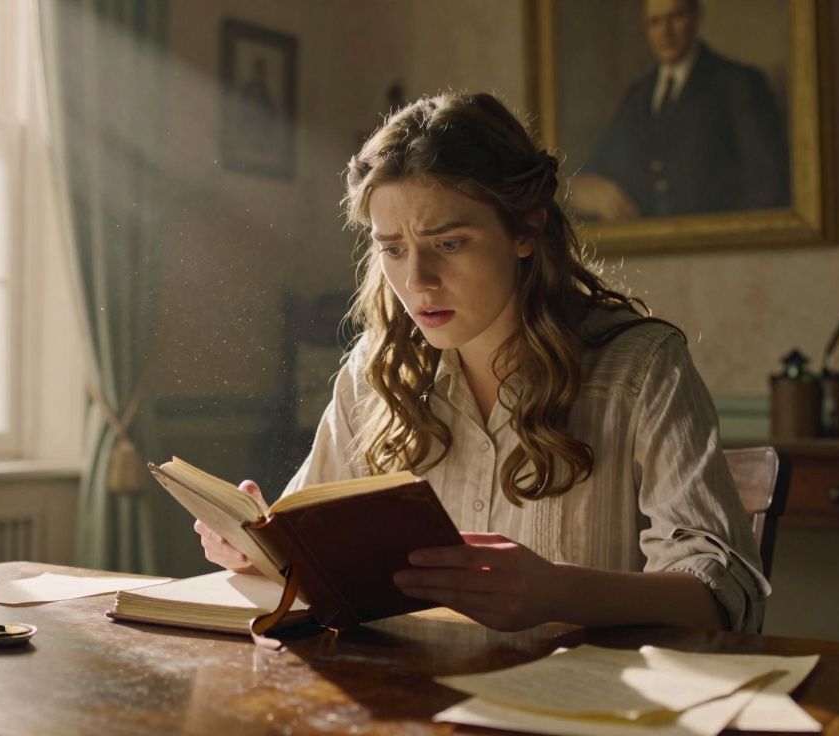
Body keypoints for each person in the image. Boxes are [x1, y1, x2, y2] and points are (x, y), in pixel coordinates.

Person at [194, 91, 768, 633]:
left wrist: (554, 593)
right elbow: (308, 553)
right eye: (392, 249)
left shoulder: (641, 370)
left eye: (449, 243)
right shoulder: (374, 373)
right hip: (410, 700)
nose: (417, 282)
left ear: (526, 228)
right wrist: (256, 548)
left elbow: (723, 599)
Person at [571, 0, 790, 222]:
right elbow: (594, 170)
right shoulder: (637, 96)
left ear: (696, 17)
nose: (665, 32)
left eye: (675, 17)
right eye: (654, 22)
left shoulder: (740, 84)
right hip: (648, 248)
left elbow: (769, 184)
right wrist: (586, 189)